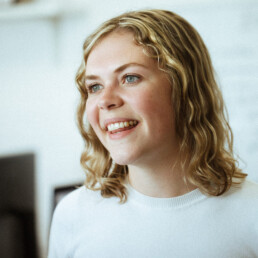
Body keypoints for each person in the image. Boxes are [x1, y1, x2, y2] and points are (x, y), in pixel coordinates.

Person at [48, 9, 258, 258]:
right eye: (95, 86)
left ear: (184, 89)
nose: (105, 100)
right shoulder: (72, 215)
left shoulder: (251, 214)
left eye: (130, 78)